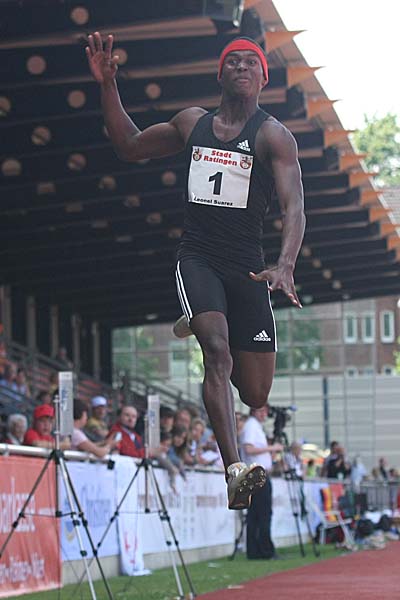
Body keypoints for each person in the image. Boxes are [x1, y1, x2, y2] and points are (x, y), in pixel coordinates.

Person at [86, 33, 305, 509]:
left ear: (263, 78)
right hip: (199, 257)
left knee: (255, 392)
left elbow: (295, 206)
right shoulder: (192, 123)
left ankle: (205, 314)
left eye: (251, 62)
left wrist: (285, 264)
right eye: (233, 62)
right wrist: (107, 85)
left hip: (248, 268)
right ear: (219, 74)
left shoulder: (273, 136)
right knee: (217, 353)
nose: (242, 67)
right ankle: (235, 469)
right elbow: (128, 145)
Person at [239, 406, 283, 559]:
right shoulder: (251, 426)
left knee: (256, 514)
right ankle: (264, 549)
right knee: (262, 513)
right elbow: (249, 449)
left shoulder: (254, 426)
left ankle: (256, 549)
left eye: (265, 411)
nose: (265, 414)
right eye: (261, 411)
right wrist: (272, 447)